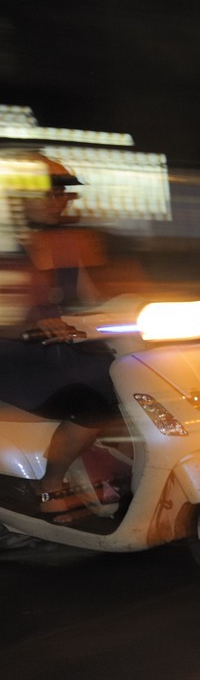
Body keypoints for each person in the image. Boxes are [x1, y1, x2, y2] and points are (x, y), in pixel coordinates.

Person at [0, 155, 123, 522]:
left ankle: (106, 463)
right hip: (15, 357)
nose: (59, 200)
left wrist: (135, 307)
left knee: (135, 372)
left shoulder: (68, 242)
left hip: (62, 352)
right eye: (50, 193)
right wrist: (28, 327)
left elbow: (93, 299)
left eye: (62, 193)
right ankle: (50, 484)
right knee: (96, 395)